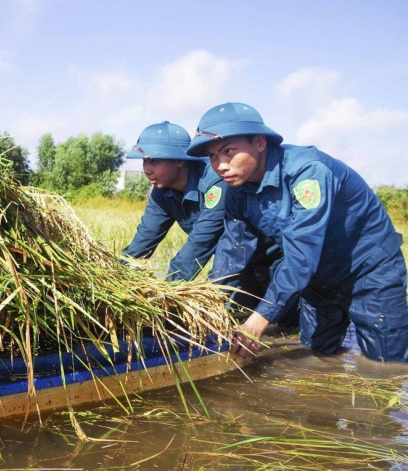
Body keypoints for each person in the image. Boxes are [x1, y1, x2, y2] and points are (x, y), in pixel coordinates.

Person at [186, 102, 408, 362]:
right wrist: (208, 307)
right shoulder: (237, 189)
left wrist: (257, 323)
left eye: (229, 151)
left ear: (259, 143)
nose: (220, 165)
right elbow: (233, 250)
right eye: (213, 156)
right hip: (318, 280)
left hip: (369, 272)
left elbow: (301, 254)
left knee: (385, 366)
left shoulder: (307, 173)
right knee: (316, 355)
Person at [121, 121, 226, 281]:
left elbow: (201, 242)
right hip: (228, 255)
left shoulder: (215, 180)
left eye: (154, 161)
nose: (147, 169)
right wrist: (119, 275)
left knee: (225, 295)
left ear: (180, 160)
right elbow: (146, 236)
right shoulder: (162, 190)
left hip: (256, 256)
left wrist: (169, 292)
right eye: (144, 161)